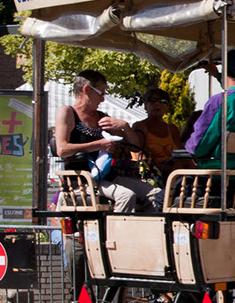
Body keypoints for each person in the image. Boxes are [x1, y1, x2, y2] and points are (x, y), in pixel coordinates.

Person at [54, 70, 162, 213]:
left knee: (157, 194)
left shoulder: (101, 117)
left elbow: (135, 148)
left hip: (109, 177)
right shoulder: (67, 113)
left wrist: (125, 126)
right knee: (126, 195)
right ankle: (115, 228)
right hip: (83, 180)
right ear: (87, 90)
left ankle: (146, 226)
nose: (103, 99)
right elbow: (62, 149)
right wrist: (98, 145)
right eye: (101, 93)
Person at [186, 49, 235, 170]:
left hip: (219, 171)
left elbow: (201, 142)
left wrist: (190, 149)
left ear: (225, 68)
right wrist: (217, 75)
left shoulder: (219, 101)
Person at [132, 87, 192, 182]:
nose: (157, 104)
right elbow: (139, 154)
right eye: (152, 100)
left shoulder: (172, 129)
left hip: (177, 174)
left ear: (167, 107)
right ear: (145, 106)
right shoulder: (140, 126)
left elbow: (181, 154)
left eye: (163, 101)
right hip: (154, 176)